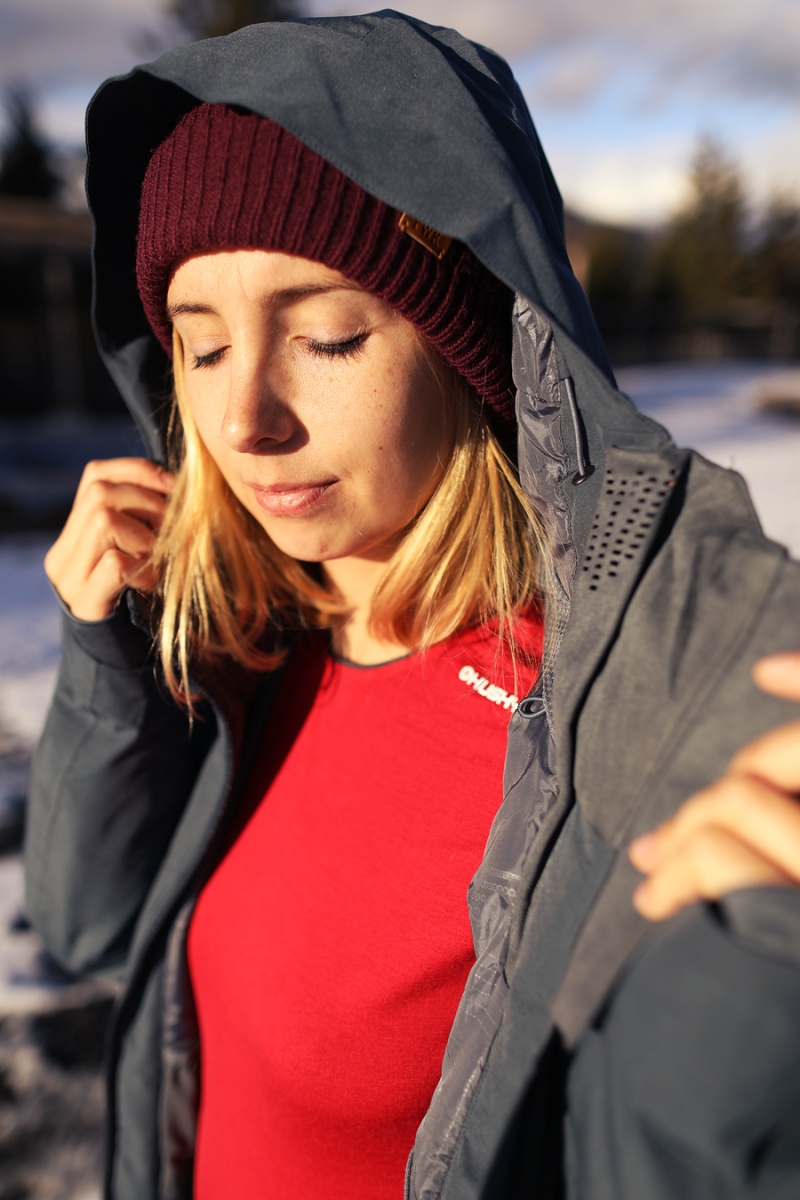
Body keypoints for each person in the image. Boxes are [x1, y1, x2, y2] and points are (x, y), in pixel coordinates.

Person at [24, 12, 800, 1200]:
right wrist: (110, 660)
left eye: (329, 337)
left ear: (466, 348)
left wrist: (756, 970)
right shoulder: (246, 634)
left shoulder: (616, 710)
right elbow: (88, 927)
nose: (243, 422)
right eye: (202, 347)